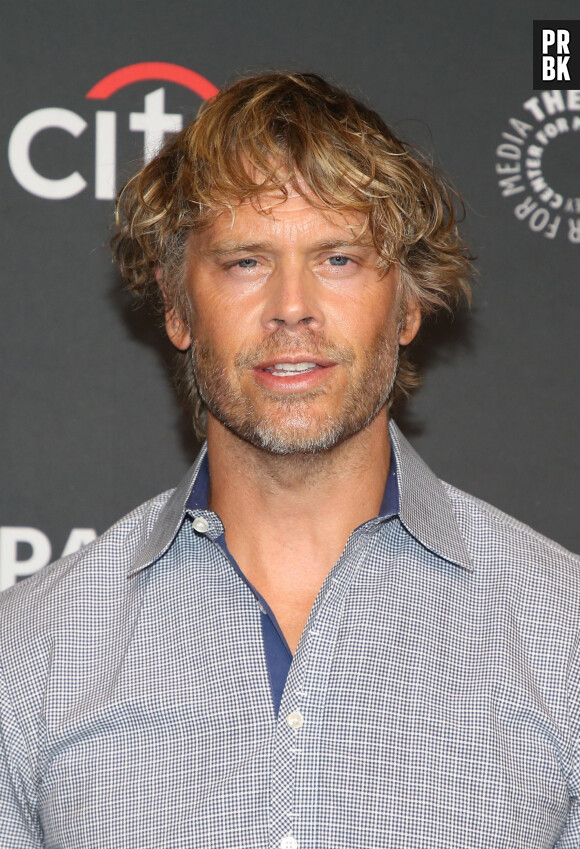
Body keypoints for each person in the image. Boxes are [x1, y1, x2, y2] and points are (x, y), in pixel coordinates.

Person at [1, 72, 579, 849]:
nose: (291, 305)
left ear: (408, 305)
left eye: (338, 258)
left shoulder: (561, 637)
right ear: (176, 306)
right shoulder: (31, 653)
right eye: (245, 261)